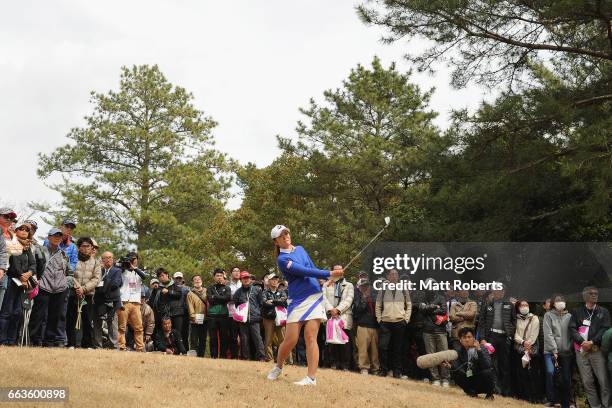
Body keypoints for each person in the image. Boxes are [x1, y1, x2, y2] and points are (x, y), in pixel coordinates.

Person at [266, 225, 343, 386]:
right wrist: (328, 273)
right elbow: (302, 271)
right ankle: (278, 366)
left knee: (310, 337)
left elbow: (311, 268)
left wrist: (325, 279)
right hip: (298, 300)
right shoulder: (282, 260)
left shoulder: (300, 249)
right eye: (282, 235)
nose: (286, 235)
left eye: (287, 232)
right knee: (290, 340)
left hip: (314, 295)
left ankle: (311, 378)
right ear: (276, 241)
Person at [29, 228, 72, 347]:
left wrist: (66, 283)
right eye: (54, 236)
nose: (57, 238)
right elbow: (32, 266)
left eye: (59, 236)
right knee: (38, 315)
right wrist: (36, 281)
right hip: (43, 287)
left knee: (55, 317)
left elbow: (70, 272)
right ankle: (35, 340)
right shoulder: (39, 250)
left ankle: (50, 341)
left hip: (60, 290)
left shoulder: (63, 254)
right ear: (48, 237)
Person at [569, 286, 611, 408]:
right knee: (587, 382)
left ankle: (607, 405)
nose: (594, 295)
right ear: (584, 296)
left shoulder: (603, 312)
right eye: (591, 293)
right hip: (581, 351)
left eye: (596, 293)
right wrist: (582, 342)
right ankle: (595, 406)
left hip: (596, 350)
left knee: (603, 380)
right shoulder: (577, 312)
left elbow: (605, 328)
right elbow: (572, 328)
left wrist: (592, 342)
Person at [0, 222, 35, 345]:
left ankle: (12, 340)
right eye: (22, 229)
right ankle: (3, 340)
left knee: (17, 313)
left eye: (27, 230)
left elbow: (33, 264)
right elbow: (13, 264)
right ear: (16, 231)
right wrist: (22, 276)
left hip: (23, 284)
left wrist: (29, 273)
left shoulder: (28, 247)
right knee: (6, 312)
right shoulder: (12, 243)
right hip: (11, 280)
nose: (24, 231)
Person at [478, 286, 516, 397]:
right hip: (491, 337)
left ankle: (506, 391)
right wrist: (483, 338)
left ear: (503, 292)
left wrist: (510, 334)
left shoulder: (510, 305)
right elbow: (482, 322)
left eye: (499, 291)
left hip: (504, 338)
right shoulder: (488, 304)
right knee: (491, 364)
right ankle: (494, 388)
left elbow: (514, 321)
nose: (497, 293)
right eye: (495, 291)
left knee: (505, 365)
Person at [66, 237, 101, 348]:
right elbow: (69, 274)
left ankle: (87, 344)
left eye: (88, 246)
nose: (85, 249)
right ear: (78, 248)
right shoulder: (73, 259)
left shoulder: (96, 262)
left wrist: (84, 289)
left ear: (91, 248)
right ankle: (71, 343)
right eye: (83, 246)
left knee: (87, 319)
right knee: (71, 319)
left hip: (88, 295)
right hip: (73, 293)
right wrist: (77, 287)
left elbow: (96, 279)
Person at [443, 326, 495, 400]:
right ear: (460, 340)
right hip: (469, 377)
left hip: (481, 378)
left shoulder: (482, 348)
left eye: (469, 337)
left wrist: (479, 351)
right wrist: (450, 367)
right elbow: (459, 368)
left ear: (474, 338)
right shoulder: (459, 351)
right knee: (455, 372)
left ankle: (489, 394)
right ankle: (471, 392)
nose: (467, 340)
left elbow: (487, 365)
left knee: (487, 371)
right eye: (464, 338)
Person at [543, 294, 573, 408]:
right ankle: (552, 399)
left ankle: (566, 402)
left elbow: (572, 333)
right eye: (557, 300)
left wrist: (569, 348)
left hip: (566, 352)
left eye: (562, 300)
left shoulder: (570, 316)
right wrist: (554, 350)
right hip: (550, 352)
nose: (560, 302)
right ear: (553, 303)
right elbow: (548, 334)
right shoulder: (548, 315)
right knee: (551, 373)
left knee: (566, 377)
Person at [323, 265, 354, 371]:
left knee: (344, 342)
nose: (338, 271)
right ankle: (334, 363)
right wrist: (331, 310)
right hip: (331, 316)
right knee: (332, 342)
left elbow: (349, 300)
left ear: (342, 272)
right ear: (333, 271)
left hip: (344, 316)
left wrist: (338, 310)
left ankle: (345, 365)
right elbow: (324, 298)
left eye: (340, 270)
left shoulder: (349, 285)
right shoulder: (326, 285)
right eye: (335, 270)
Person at [421, 280, 449, 386]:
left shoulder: (441, 297)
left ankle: (445, 378)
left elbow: (444, 311)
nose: (430, 287)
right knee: (431, 356)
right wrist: (435, 307)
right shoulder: (423, 298)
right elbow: (422, 310)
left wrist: (429, 308)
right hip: (427, 330)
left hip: (440, 330)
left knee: (444, 355)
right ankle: (435, 378)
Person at [233, 271, 266, 361]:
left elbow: (261, 303)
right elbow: (236, 305)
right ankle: (246, 358)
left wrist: (257, 312)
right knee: (244, 339)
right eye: (244, 278)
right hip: (243, 320)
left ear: (250, 279)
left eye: (247, 278)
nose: (246, 280)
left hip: (255, 318)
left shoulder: (257, 289)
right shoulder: (238, 292)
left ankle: (262, 357)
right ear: (241, 280)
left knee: (257, 338)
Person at [117, 252, 146, 352]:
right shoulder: (122, 271)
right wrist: (122, 264)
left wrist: (134, 268)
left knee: (138, 327)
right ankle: (121, 347)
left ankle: (140, 348)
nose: (133, 260)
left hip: (136, 303)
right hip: (124, 301)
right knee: (121, 327)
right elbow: (116, 271)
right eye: (131, 259)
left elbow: (144, 277)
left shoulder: (138, 272)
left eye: (135, 259)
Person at [93, 251, 122, 349]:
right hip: (98, 301)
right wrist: (104, 286)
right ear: (102, 260)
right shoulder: (99, 271)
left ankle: (114, 346)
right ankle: (98, 345)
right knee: (97, 323)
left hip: (111, 301)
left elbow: (115, 284)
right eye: (106, 257)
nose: (109, 259)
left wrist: (102, 287)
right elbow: (95, 283)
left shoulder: (117, 271)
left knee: (112, 324)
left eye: (110, 257)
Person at [513, 299, 540, 403]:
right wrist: (523, 342)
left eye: (526, 305)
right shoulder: (515, 319)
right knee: (521, 373)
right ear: (518, 307)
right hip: (520, 348)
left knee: (533, 373)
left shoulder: (534, 318)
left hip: (531, 348)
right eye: (522, 305)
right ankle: (523, 396)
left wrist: (528, 345)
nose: (525, 307)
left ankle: (534, 397)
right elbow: (515, 333)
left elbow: (534, 333)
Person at [148, 268, 183, 345]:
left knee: (177, 333)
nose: (161, 277)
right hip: (164, 315)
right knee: (163, 334)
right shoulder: (157, 288)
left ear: (167, 275)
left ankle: (179, 351)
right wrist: (154, 290)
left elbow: (179, 295)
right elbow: (152, 302)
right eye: (159, 276)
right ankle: (165, 350)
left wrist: (169, 292)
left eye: (163, 275)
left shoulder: (175, 285)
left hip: (176, 314)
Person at [353, 277, 379, 375]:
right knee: (362, 348)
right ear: (359, 287)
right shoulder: (357, 297)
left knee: (375, 349)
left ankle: (375, 368)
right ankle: (364, 367)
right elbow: (357, 310)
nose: (366, 288)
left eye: (367, 286)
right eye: (363, 286)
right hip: (363, 325)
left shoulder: (375, 296)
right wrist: (364, 298)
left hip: (375, 326)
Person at [262, 273, 291, 363]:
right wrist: (277, 302)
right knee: (268, 339)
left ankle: (286, 360)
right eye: (272, 279)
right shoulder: (264, 292)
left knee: (283, 339)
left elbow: (284, 302)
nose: (274, 281)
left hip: (281, 318)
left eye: (276, 279)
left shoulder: (282, 292)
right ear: (269, 281)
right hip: (268, 318)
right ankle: (269, 359)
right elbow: (264, 303)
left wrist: (272, 301)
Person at [207, 268, 232, 358]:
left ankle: (222, 356)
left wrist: (216, 296)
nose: (219, 277)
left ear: (223, 277)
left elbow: (227, 299)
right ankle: (213, 356)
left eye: (221, 276)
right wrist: (221, 297)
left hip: (224, 315)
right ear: (214, 277)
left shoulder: (227, 288)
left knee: (224, 338)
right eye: (217, 276)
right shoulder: (210, 288)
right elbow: (210, 300)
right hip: (212, 316)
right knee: (213, 338)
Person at [186, 274, 207, 357]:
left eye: (199, 279)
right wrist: (193, 317)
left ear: (201, 281)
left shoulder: (207, 291)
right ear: (193, 282)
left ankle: (201, 356)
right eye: (195, 279)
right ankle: (193, 357)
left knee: (203, 339)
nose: (197, 280)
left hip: (205, 318)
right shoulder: (190, 294)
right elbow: (190, 306)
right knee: (194, 339)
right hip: (195, 319)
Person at [173, 271, 190, 350]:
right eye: (177, 278)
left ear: (182, 279)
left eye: (180, 278)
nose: (178, 280)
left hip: (185, 313)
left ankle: (185, 350)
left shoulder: (187, 289)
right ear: (174, 279)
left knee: (185, 333)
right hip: (175, 313)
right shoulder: (171, 288)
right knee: (176, 332)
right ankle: (176, 349)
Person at [227, 266, 242, 359]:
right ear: (231, 273)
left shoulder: (243, 284)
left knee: (244, 336)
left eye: (238, 271)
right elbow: (227, 298)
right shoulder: (227, 285)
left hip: (243, 314)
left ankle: (244, 356)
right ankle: (234, 356)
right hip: (231, 314)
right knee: (233, 336)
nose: (236, 272)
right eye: (234, 271)